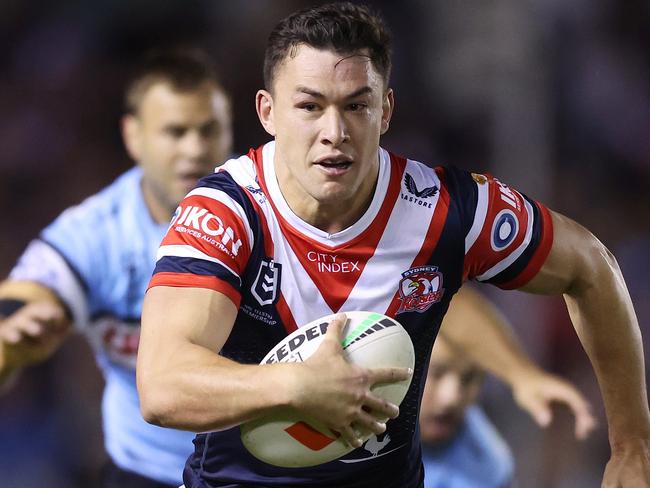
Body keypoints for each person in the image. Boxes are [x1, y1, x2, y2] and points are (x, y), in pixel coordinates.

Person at [138, 3, 649, 487]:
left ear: (385, 110)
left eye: (355, 105)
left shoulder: (447, 211)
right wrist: (298, 387)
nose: (333, 132)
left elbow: (592, 266)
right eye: (309, 106)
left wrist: (632, 447)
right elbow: (162, 386)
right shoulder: (225, 213)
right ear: (268, 112)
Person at [0, 49, 233, 487]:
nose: (195, 149)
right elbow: (20, 301)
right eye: (175, 132)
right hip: (144, 474)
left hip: (258, 474)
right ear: (134, 137)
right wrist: (12, 340)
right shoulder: (96, 232)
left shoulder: (274, 212)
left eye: (209, 130)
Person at [421, 287, 520, 488]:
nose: (451, 398)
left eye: (468, 378)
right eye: (437, 373)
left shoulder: (494, 469)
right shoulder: (351, 434)